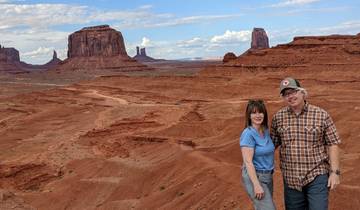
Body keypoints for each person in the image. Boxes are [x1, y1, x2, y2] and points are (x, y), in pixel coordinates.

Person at [271, 77, 341, 210]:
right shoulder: (278, 118)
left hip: (316, 176)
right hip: (291, 180)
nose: (290, 96)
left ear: (302, 92)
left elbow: (333, 143)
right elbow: (271, 145)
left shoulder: (321, 115)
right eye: (286, 94)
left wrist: (335, 173)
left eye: (293, 92)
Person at [240, 99, 276, 210]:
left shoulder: (265, 130)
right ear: (249, 115)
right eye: (254, 113)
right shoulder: (248, 134)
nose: (258, 115)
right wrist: (256, 185)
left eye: (260, 112)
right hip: (255, 177)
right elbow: (248, 162)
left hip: (268, 176)